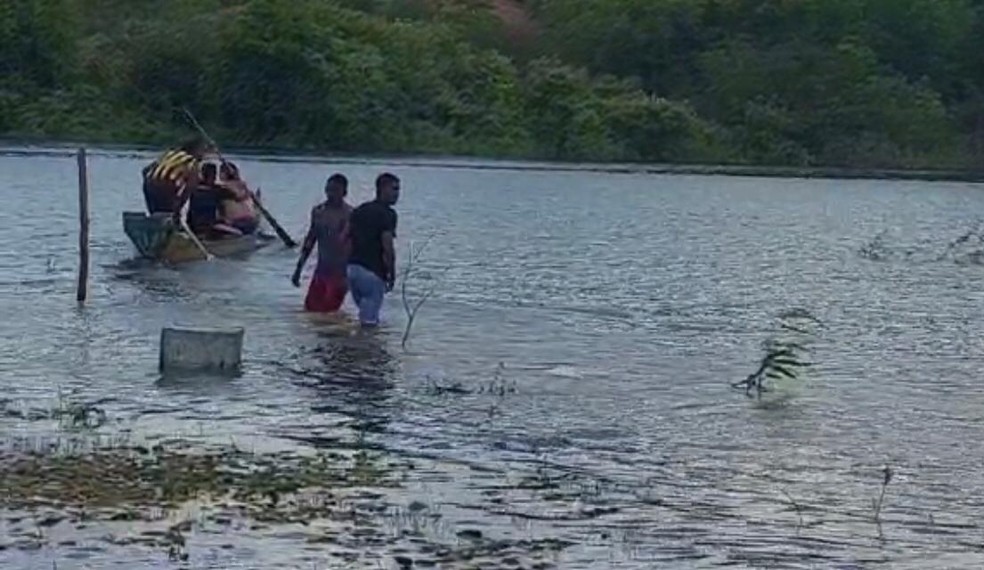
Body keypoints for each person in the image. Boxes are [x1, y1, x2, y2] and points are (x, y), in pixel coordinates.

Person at [291, 174, 353, 313]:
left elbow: (355, 246)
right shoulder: (319, 212)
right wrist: (298, 269)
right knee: (310, 310)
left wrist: (349, 277)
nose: (330, 194)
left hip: (340, 273)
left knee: (329, 311)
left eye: (335, 190)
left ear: (344, 192)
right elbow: (310, 240)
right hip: (322, 270)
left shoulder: (350, 214)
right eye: (328, 190)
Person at [346, 173, 400, 327]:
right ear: (382, 189)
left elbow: (347, 239)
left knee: (364, 315)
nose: (397, 194)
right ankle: (366, 349)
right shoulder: (388, 214)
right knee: (369, 323)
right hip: (372, 272)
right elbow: (387, 247)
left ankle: (354, 348)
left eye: (398, 190)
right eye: (394, 189)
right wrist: (392, 273)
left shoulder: (359, 210)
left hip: (352, 269)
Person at [142, 137, 210, 217]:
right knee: (169, 212)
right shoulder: (192, 162)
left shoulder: (170, 154)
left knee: (157, 212)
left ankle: (154, 220)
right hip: (167, 185)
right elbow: (189, 188)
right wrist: (178, 209)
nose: (204, 155)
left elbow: (145, 171)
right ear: (195, 150)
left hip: (149, 183)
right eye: (203, 151)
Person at [186, 163, 237, 237]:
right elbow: (234, 195)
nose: (214, 177)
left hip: (194, 226)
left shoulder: (194, 188)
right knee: (238, 233)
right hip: (209, 227)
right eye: (214, 174)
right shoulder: (215, 190)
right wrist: (234, 177)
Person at [216, 161, 260, 235]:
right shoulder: (243, 186)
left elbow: (237, 196)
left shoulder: (223, 188)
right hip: (250, 221)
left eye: (220, 172)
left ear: (224, 174)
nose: (218, 174)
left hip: (237, 224)